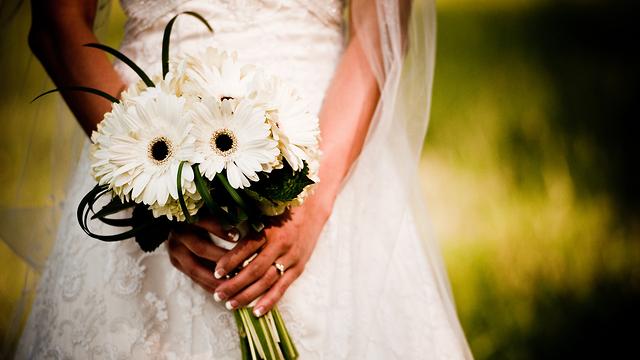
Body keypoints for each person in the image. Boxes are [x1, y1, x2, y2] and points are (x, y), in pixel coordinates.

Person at [11, 0, 474, 358]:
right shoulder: (151, 160)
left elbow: (383, 25)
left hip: (324, 138)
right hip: (150, 129)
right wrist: (155, 180)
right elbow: (58, 25)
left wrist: (311, 205)